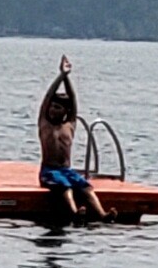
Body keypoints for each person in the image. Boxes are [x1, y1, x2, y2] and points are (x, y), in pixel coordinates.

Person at [38, 55, 115, 223]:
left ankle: (102, 215)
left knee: (86, 187)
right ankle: (74, 214)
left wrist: (68, 78)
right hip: (49, 171)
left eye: (57, 107)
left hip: (67, 170)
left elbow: (72, 101)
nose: (52, 110)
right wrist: (61, 75)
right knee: (65, 188)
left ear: (65, 111)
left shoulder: (70, 124)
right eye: (52, 107)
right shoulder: (45, 123)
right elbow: (47, 98)